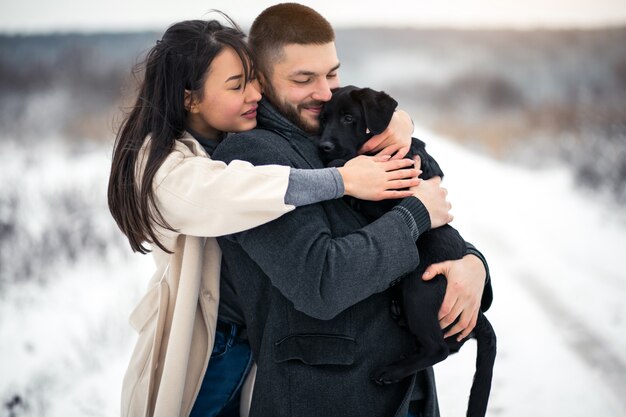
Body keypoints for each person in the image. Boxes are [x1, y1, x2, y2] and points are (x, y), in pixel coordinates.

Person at [107, 16, 426, 417]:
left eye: (253, 79)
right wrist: (342, 180)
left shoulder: (239, 128)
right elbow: (245, 191)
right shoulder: (168, 170)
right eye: (237, 85)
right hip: (212, 346)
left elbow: (344, 104)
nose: (255, 93)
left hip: (254, 336)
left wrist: (399, 120)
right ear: (190, 98)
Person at [211, 3, 493, 417]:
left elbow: (428, 202)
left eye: (332, 73)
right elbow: (322, 282)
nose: (324, 92)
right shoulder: (252, 156)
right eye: (303, 79)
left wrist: (473, 265)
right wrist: (415, 215)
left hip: (409, 397)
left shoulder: (336, 133)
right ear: (261, 80)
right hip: (324, 400)